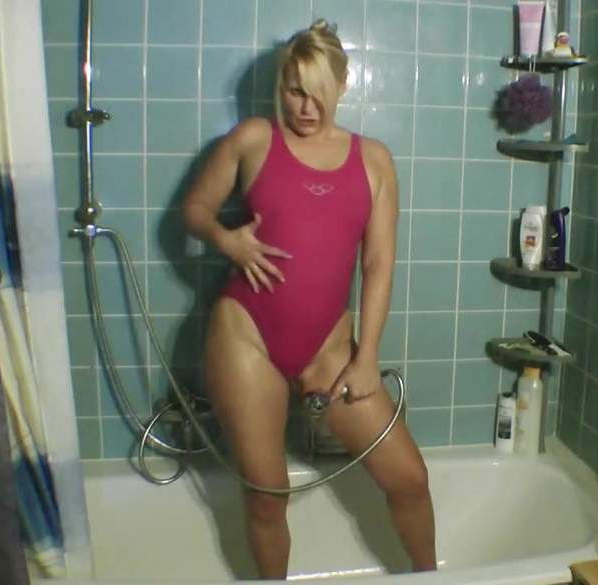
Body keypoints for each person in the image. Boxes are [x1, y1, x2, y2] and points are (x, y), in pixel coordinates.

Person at [182, 19, 437, 580]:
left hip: (330, 349)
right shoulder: (253, 139)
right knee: (266, 495)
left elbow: (378, 263)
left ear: (343, 85)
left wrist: (367, 356)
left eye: (319, 92)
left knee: (408, 479)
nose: (305, 106)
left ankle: (429, 575)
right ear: (282, 84)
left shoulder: (374, 159)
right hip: (247, 336)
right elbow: (194, 210)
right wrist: (228, 240)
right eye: (295, 90)